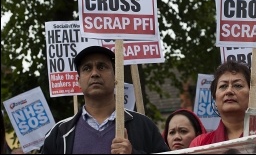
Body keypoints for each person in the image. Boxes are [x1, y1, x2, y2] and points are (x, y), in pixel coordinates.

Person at [41, 46, 169, 154]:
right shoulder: (59, 133)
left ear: (116, 77)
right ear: (78, 81)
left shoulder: (144, 126)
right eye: (87, 68)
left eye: (102, 67)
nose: (95, 73)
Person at [189, 61, 256, 147]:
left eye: (238, 85)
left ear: (252, 95)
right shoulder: (200, 144)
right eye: (223, 86)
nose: (229, 91)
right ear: (215, 98)